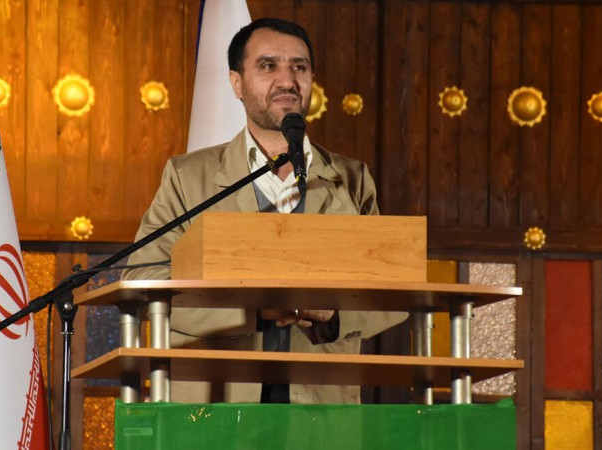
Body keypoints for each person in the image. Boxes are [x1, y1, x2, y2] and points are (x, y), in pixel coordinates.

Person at [123, 18, 407, 404]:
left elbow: (395, 291)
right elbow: (143, 278)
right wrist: (250, 310)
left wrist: (334, 313)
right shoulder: (187, 177)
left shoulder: (352, 178)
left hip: (321, 410)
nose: (287, 80)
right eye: (268, 65)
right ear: (236, 83)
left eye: (299, 67)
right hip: (214, 404)